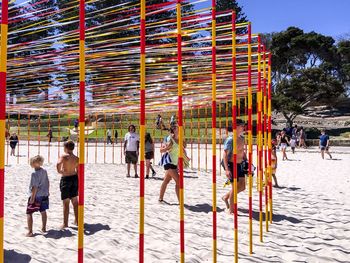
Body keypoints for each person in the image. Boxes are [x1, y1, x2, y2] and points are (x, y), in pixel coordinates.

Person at [221, 120, 247, 214]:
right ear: (236, 127)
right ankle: (231, 211)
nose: (243, 127)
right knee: (235, 187)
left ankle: (226, 197)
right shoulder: (230, 139)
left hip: (240, 164)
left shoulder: (242, 138)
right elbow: (225, 154)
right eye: (242, 125)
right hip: (231, 164)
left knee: (243, 186)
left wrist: (246, 160)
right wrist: (227, 169)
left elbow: (242, 151)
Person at [158, 125, 189, 203]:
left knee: (166, 180)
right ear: (174, 130)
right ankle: (180, 202)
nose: (180, 129)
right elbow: (161, 150)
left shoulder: (180, 138)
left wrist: (186, 157)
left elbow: (182, 148)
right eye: (178, 128)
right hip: (169, 162)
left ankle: (160, 198)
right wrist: (167, 148)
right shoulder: (169, 139)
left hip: (174, 163)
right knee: (179, 181)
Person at [56, 140, 79, 229]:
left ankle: (65, 223)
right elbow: (78, 169)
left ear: (65, 148)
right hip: (74, 178)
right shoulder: (76, 158)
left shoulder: (64, 156)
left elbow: (58, 164)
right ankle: (77, 220)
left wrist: (59, 171)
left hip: (66, 178)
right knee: (75, 201)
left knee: (66, 202)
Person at [26, 155, 50, 237]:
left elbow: (35, 187)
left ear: (35, 163)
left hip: (37, 195)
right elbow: (48, 182)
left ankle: (30, 231)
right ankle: (43, 228)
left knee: (29, 212)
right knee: (43, 211)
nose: (30, 164)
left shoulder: (34, 173)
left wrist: (32, 198)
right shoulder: (44, 171)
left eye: (31, 162)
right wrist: (47, 192)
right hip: (44, 194)